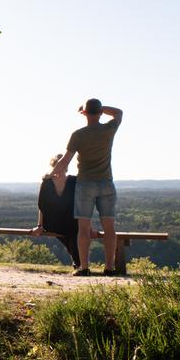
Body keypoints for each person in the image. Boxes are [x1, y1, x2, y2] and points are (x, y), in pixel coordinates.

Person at [51, 99, 123, 276]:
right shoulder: (108, 130)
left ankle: (84, 268)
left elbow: (65, 161)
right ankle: (110, 268)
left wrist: (54, 173)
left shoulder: (78, 135)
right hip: (106, 183)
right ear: (99, 113)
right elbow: (119, 112)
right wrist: (99, 109)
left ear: (84, 114)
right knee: (109, 228)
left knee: (83, 228)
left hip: (85, 185)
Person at [31, 154, 94, 269]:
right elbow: (42, 206)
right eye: (56, 167)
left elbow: (84, 205)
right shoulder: (46, 184)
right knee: (72, 236)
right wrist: (39, 225)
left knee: (75, 233)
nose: (58, 170)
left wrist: (89, 227)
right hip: (53, 222)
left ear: (66, 168)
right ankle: (79, 264)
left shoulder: (74, 182)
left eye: (61, 167)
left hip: (71, 220)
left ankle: (79, 264)